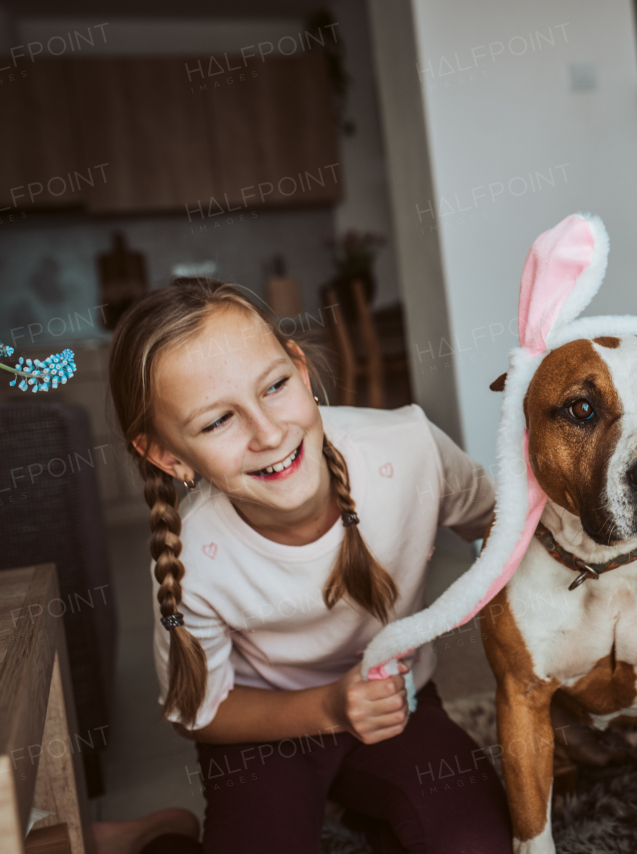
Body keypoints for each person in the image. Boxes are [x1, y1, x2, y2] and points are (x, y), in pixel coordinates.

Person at [108, 279, 511, 853]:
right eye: (217, 422)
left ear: (298, 367)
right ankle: (157, 837)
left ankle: (369, 808)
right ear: (168, 455)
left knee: (478, 845)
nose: (269, 433)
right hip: (261, 733)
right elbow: (200, 713)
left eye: (274, 386)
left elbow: (508, 526)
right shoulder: (192, 556)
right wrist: (328, 707)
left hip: (397, 709)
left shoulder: (409, 448)